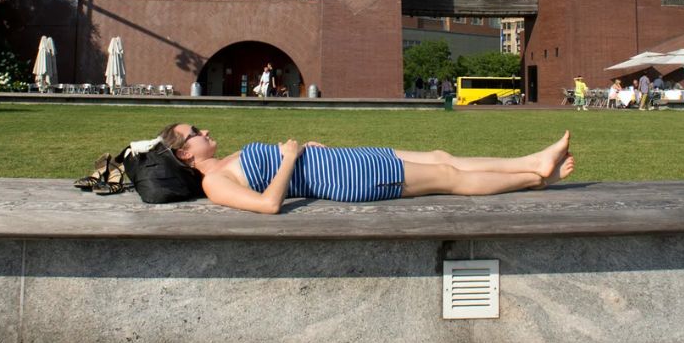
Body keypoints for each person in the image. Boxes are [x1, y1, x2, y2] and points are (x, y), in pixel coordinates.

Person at [159, 122, 576, 215]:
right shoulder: (215, 181)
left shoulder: (227, 160)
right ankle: (534, 180)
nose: (204, 130)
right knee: (450, 180)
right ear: (184, 155)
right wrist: (289, 159)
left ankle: (532, 163)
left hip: (345, 159)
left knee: (442, 155)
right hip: (353, 180)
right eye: (194, 132)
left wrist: (304, 150)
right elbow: (269, 204)